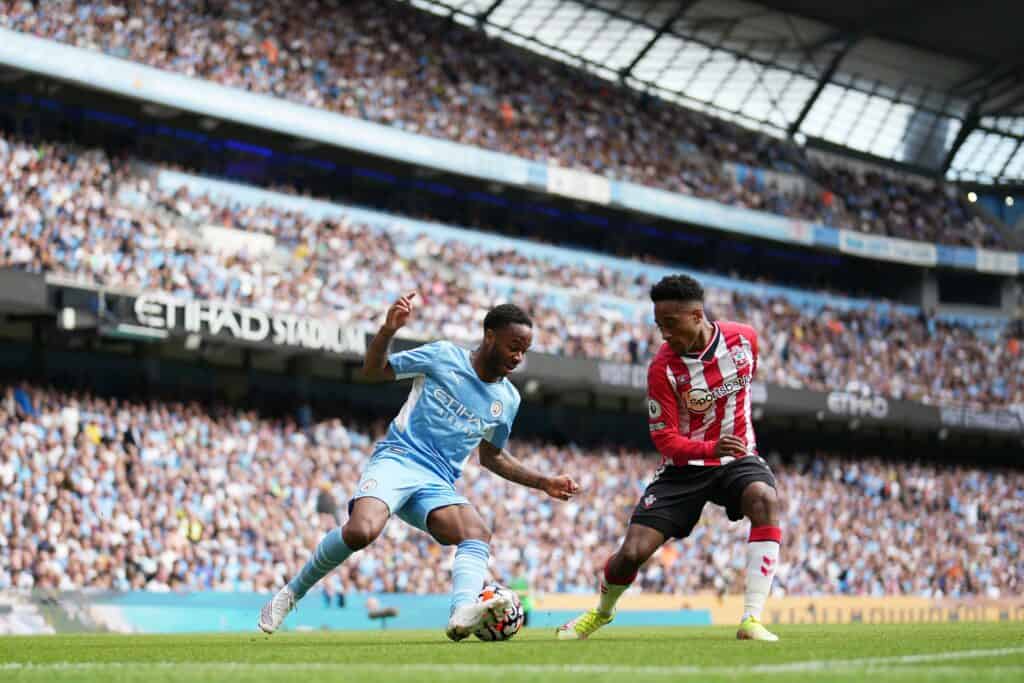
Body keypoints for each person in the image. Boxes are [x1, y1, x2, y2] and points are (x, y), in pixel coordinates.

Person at [259, 292, 580, 640]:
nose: (518, 357)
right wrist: (388, 330)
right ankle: (290, 594)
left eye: (524, 351)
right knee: (361, 532)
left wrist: (543, 482)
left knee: (477, 532)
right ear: (490, 336)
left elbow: (491, 456)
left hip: (436, 483)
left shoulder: (508, 399)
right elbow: (373, 371)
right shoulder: (443, 356)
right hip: (398, 459)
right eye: (513, 347)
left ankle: (462, 613)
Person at [556, 275, 782, 641]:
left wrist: (726, 445)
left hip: (737, 458)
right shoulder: (662, 368)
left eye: (671, 324)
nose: (664, 334)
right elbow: (665, 439)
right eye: (659, 324)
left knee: (765, 499)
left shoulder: (744, 340)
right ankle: (602, 612)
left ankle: (751, 619)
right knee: (632, 553)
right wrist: (710, 448)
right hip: (684, 469)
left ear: (697, 315)